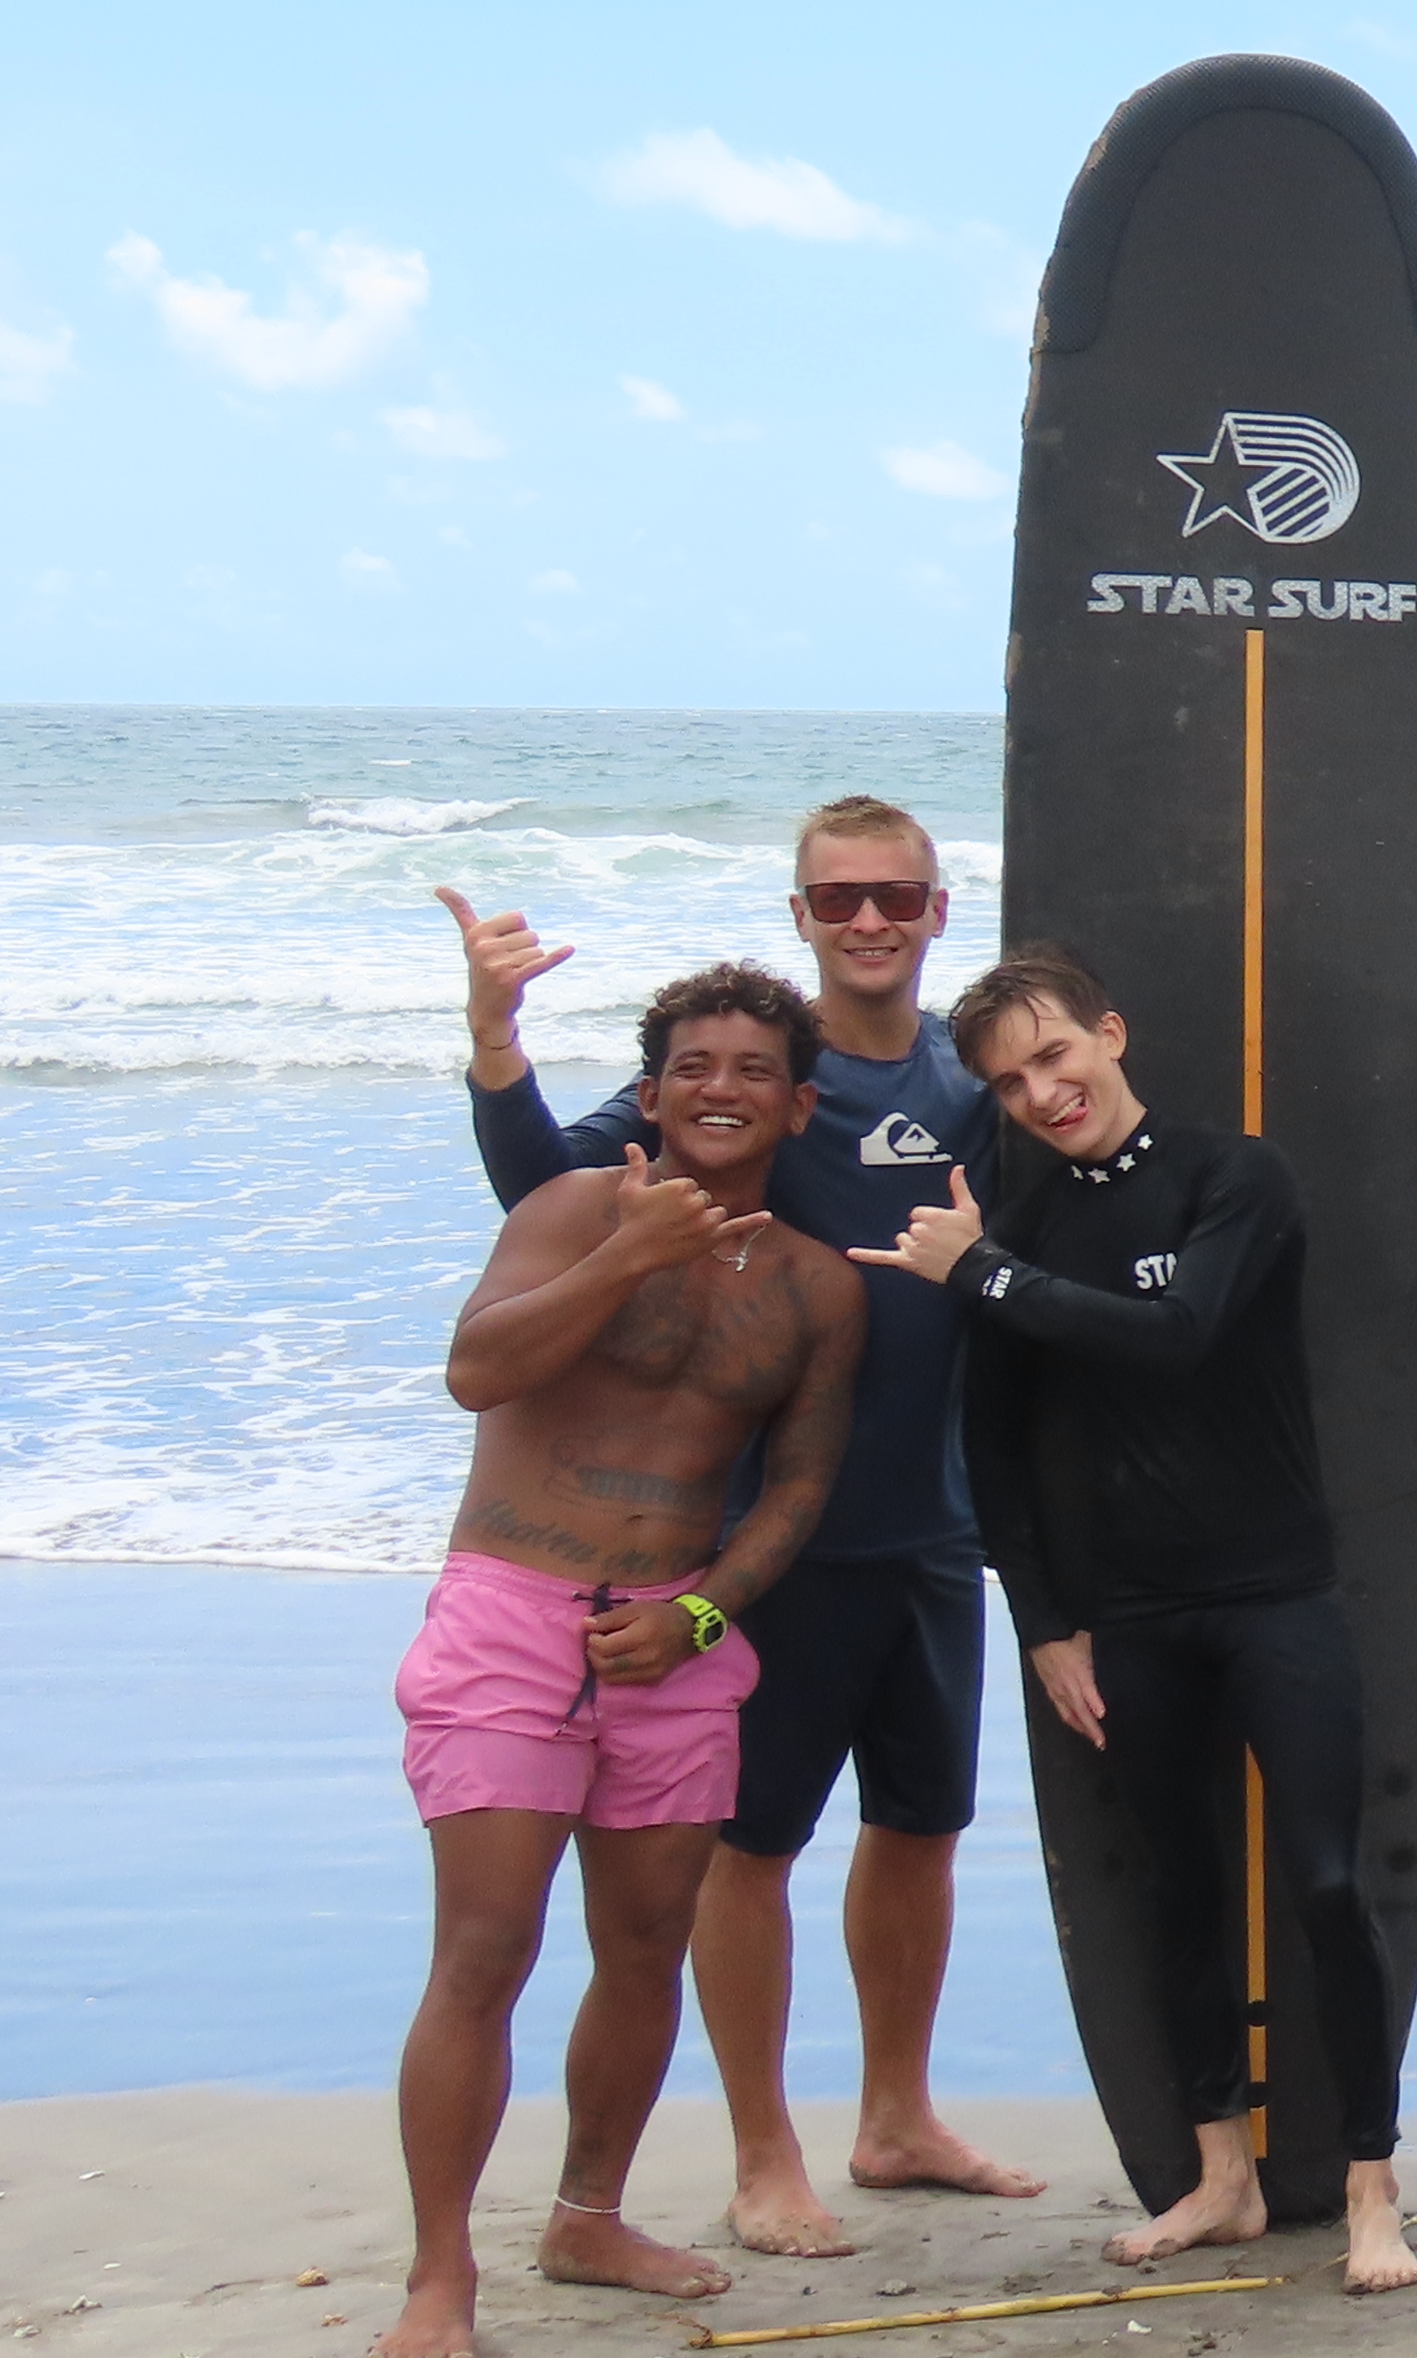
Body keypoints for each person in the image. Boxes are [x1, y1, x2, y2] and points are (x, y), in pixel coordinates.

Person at [442, 800, 1047, 2253]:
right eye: (838, 899)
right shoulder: (751, 1067)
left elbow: (1118, 1143)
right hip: (769, 1540)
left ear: (940, 910)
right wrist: (497, 1047)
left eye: (895, 896)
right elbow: (548, 1187)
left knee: (922, 1826)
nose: (869, 920)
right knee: (753, 1845)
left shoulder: (971, 1080)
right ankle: (764, 2153)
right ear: (800, 915)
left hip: (933, 1524)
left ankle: (896, 2118)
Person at [866, 948, 1417, 2297]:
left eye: (1055, 1054)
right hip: (1132, 1609)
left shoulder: (1237, 1178)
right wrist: (1046, 1623)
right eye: (1010, 1082)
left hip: (1277, 1589)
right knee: (1179, 1889)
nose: (1042, 1092)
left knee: (1327, 1882)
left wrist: (981, 1276)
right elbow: (996, 1449)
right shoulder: (1023, 1223)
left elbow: (1184, 1333)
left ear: (1110, 1035)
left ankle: (1371, 2187)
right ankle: (1221, 2179)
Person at [375, 964, 864, 2358]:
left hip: (673, 1637)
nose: (722, 1088)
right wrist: (627, 1257)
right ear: (649, 1095)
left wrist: (701, 1616)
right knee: (485, 1951)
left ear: (798, 1105)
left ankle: (588, 2219)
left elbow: (797, 1490)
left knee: (646, 1947)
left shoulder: (817, 1287)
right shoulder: (574, 1209)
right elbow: (476, 1371)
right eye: (695, 1065)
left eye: (754, 1069)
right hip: (513, 1614)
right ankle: (440, 2272)